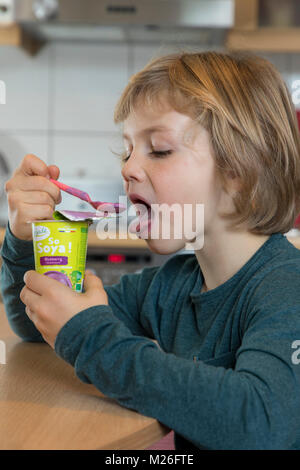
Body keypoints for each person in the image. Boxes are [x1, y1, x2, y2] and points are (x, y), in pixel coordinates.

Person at [1, 51, 300, 450]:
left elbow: (263, 423)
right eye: (127, 151)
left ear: (240, 172)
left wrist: (93, 339)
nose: (127, 168)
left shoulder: (288, 288)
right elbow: (39, 324)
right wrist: (25, 237)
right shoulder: (166, 290)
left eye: (158, 149)